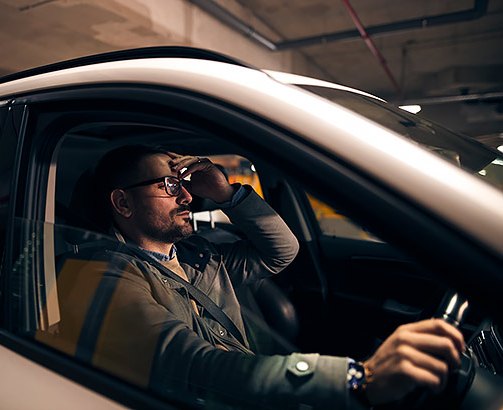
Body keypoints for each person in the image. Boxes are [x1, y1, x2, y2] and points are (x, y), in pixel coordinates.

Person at [48, 144, 465, 409]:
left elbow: (283, 251)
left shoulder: (198, 256)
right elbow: (196, 365)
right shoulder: (105, 274)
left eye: (183, 184)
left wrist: (227, 194)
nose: (188, 196)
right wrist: (357, 378)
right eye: (169, 185)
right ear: (122, 202)